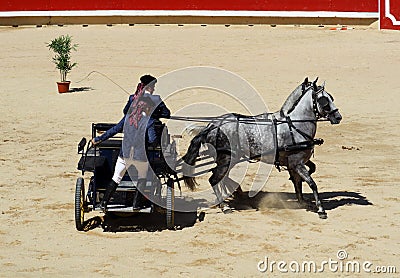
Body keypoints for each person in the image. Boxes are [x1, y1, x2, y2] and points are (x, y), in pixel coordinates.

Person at [91, 74, 170, 211]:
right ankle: (136, 204)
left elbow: (115, 129)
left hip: (125, 154)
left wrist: (98, 140)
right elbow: (153, 138)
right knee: (142, 178)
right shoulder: (150, 120)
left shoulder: (128, 116)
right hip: (140, 156)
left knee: (116, 178)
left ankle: (104, 203)